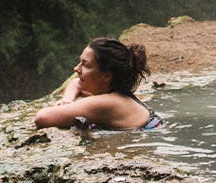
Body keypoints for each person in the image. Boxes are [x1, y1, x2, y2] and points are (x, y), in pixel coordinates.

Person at [33, 37, 161, 131]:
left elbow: (42, 118)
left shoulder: (107, 102)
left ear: (107, 76)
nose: (76, 69)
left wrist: (65, 108)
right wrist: (67, 100)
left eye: (85, 65)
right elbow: (76, 83)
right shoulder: (116, 94)